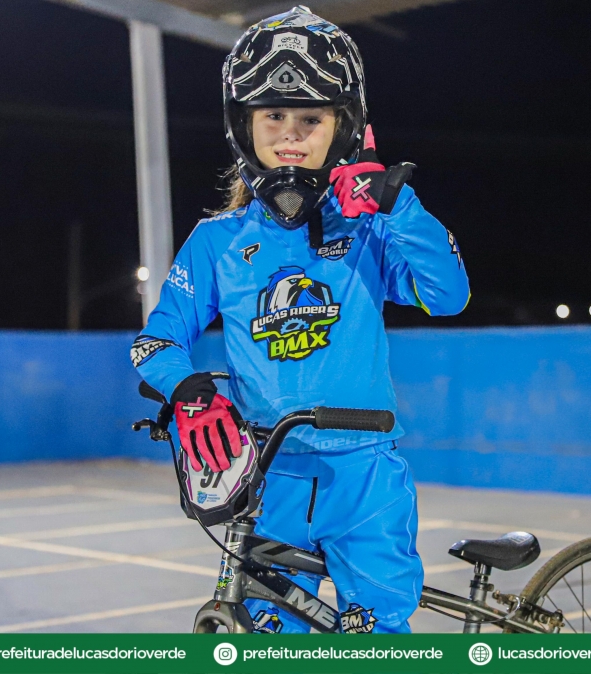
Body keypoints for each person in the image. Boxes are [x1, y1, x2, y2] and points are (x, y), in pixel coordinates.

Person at [130, 6, 470, 634]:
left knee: (376, 638)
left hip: (363, 474)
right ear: (244, 125)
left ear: (345, 129)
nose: (291, 135)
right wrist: (187, 390)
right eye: (273, 117)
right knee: (266, 638)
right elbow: (156, 341)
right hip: (266, 478)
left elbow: (447, 295)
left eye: (311, 119)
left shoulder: (370, 231)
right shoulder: (217, 241)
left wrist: (399, 208)